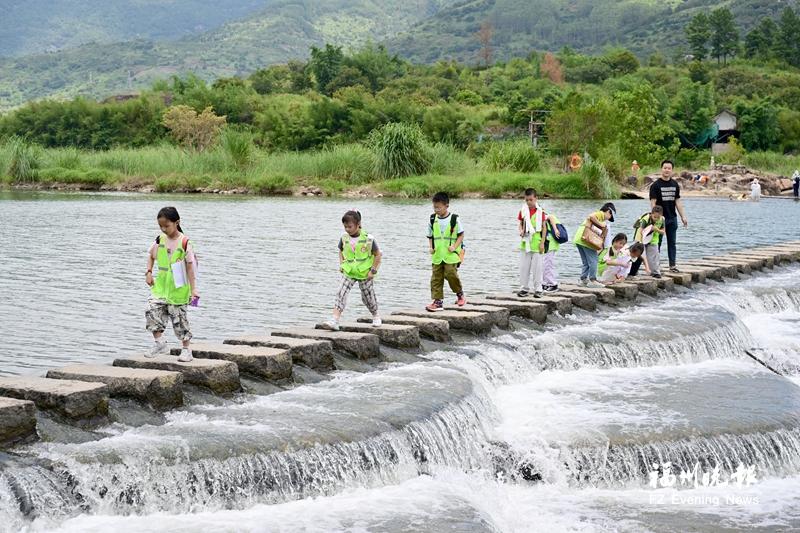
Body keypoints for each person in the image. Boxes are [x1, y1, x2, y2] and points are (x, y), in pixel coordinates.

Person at [145, 207, 198, 362]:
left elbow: (191, 267)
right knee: (151, 310)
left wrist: (194, 290)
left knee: (180, 320)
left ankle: (186, 350)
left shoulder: (185, 242)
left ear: (177, 223)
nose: (163, 229)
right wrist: (148, 272)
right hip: (160, 288)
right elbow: (151, 255)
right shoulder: (159, 239)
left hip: (178, 289)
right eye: (160, 226)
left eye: (166, 226)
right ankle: (160, 343)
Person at [321, 210, 382, 331]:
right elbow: (341, 251)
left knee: (367, 297)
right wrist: (342, 264)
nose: (347, 229)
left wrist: (373, 271)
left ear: (358, 224)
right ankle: (335, 320)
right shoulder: (344, 238)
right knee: (340, 292)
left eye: (350, 226)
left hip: (364, 272)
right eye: (345, 227)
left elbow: (378, 255)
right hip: (348, 271)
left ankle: (375, 315)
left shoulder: (368, 239)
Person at [426, 192, 466, 312]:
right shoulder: (433, 219)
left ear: (446, 205)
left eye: (439, 207)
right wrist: (431, 247)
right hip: (437, 255)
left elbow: (461, 234)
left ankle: (460, 294)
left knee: (450, 274)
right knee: (436, 278)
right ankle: (437, 302)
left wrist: (454, 246)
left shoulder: (454, 219)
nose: (436, 209)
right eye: (435, 207)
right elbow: (430, 235)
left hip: (451, 255)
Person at [650, 160, 688, 273]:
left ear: (672, 170)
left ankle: (672, 265)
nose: (667, 170)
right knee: (657, 243)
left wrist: (683, 217)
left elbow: (678, 202)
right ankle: (657, 266)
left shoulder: (675, 184)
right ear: (661, 169)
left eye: (669, 168)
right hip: (660, 219)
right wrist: (653, 218)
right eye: (665, 168)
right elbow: (653, 202)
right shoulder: (655, 185)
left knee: (672, 243)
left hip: (672, 218)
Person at [573, 202, 615, 288]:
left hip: (580, 238)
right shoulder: (600, 214)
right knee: (594, 260)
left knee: (586, 262)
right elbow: (591, 216)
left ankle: (583, 280)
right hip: (586, 240)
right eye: (610, 215)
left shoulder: (601, 217)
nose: (609, 218)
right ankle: (592, 280)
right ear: (607, 211)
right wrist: (602, 225)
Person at [516, 188, 547, 298]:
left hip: (537, 242)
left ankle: (538, 289)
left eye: (531, 200)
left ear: (536, 198)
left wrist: (542, 242)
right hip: (525, 242)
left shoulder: (540, 211)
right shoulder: (523, 210)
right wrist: (520, 231)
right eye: (527, 200)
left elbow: (544, 227)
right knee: (524, 267)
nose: (529, 202)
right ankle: (524, 288)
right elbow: (520, 223)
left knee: (537, 268)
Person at [634, 205, 666, 278]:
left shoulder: (662, 219)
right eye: (654, 217)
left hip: (653, 239)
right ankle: (633, 271)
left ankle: (655, 272)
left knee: (653, 256)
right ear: (651, 214)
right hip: (641, 238)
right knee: (639, 255)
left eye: (658, 218)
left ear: (661, 215)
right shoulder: (646, 219)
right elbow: (641, 231)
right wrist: (642, 242)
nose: (656, 219)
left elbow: (663, 232)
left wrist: (656, 229)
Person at [542, 211, 563, 292]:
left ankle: (553, 284)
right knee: (544, 265)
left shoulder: (545, 215)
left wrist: (555, 229)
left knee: (548, 264)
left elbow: (551, 216)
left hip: (550, 244)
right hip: (547, 244)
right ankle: (545, 283)